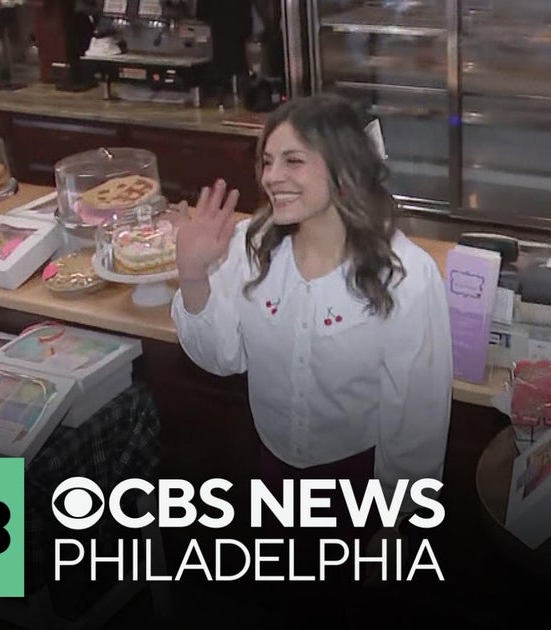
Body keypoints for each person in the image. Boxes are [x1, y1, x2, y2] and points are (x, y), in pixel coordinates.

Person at [169, 94, 453, 590]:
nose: (271, 176)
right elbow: (222, 357)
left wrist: (396, 523)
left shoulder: (405, 275)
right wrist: (193, 274)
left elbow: (418, 411)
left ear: (344, 169)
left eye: (293, 160)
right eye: (267, 161)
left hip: (362, 486)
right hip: (273, 475)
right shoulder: (253, 247)